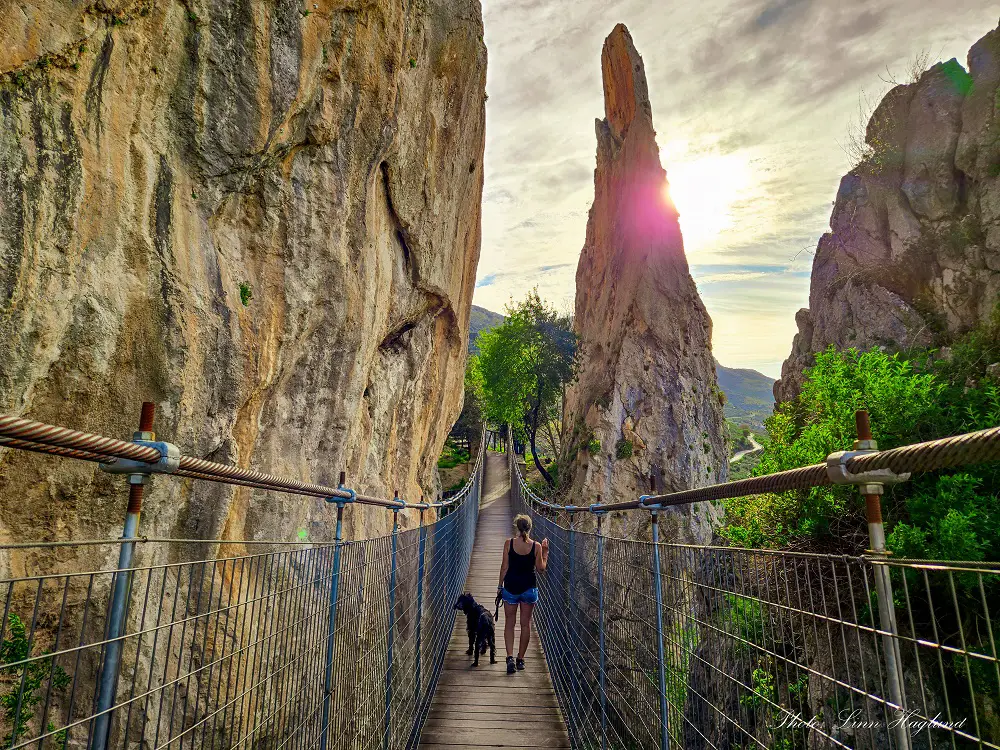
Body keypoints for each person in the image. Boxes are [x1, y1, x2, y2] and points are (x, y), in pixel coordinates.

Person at [496, 514, 549, 674]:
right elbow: (541, 569)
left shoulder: (509, 543)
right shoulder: (537, 546)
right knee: (525, 625)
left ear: (516, 527)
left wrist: (500, 586)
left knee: (509, 624)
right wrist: (545, 552)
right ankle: (520, 659)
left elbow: (504, 567)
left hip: (511, 588)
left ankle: (510, 657)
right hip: (528, 590)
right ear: (530, 528)